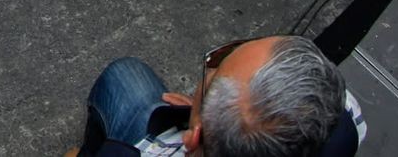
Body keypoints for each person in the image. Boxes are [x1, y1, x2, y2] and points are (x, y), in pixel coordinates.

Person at [76, 35, 359, 156]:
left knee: (124, 76)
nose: (210, 68)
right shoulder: (343, 119)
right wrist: (209, 117)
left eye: (217, 66)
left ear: (193, 138)